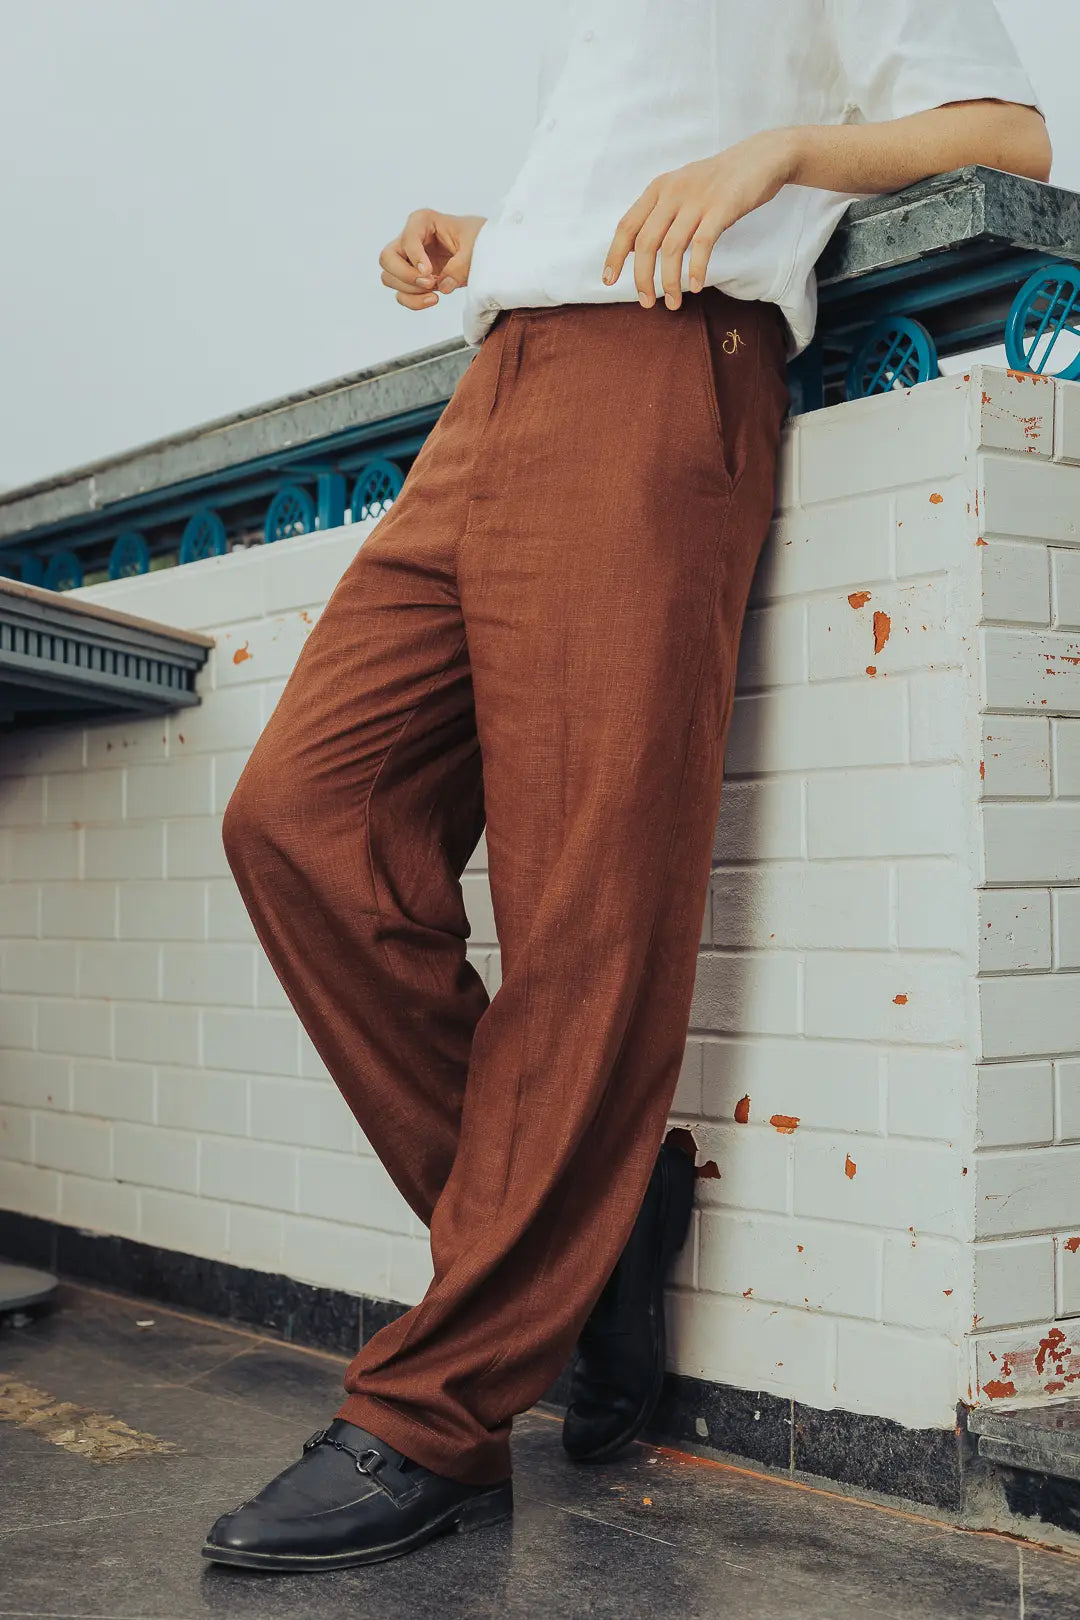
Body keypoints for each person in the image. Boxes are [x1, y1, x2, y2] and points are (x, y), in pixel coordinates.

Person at [202, 0, 1049, 1573]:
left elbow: (1009, 133)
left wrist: (779, 156)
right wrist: (497, 233)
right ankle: (603, 1225)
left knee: (583, 908)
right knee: (302, 819)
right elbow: (635, 153)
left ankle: (435, 1415)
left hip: (664, 366)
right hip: (497, 385)